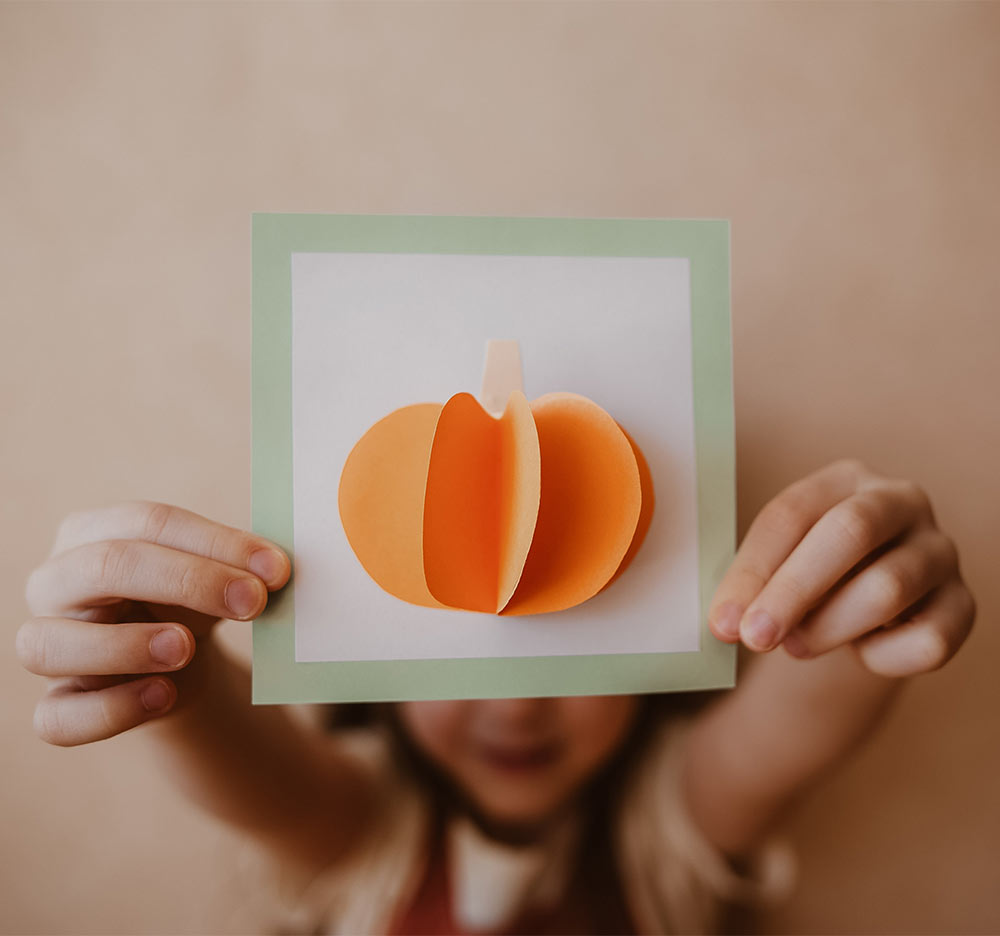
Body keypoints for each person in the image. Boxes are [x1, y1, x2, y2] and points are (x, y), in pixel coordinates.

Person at [17, 458, 975, 934]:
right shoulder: (367, 841)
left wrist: (859, 614)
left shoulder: (664, 839)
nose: (515, 709)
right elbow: (260, 777)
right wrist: (164, 669)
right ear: (385, 682)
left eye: (571, 657)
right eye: (461, 662)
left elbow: (785, 730)